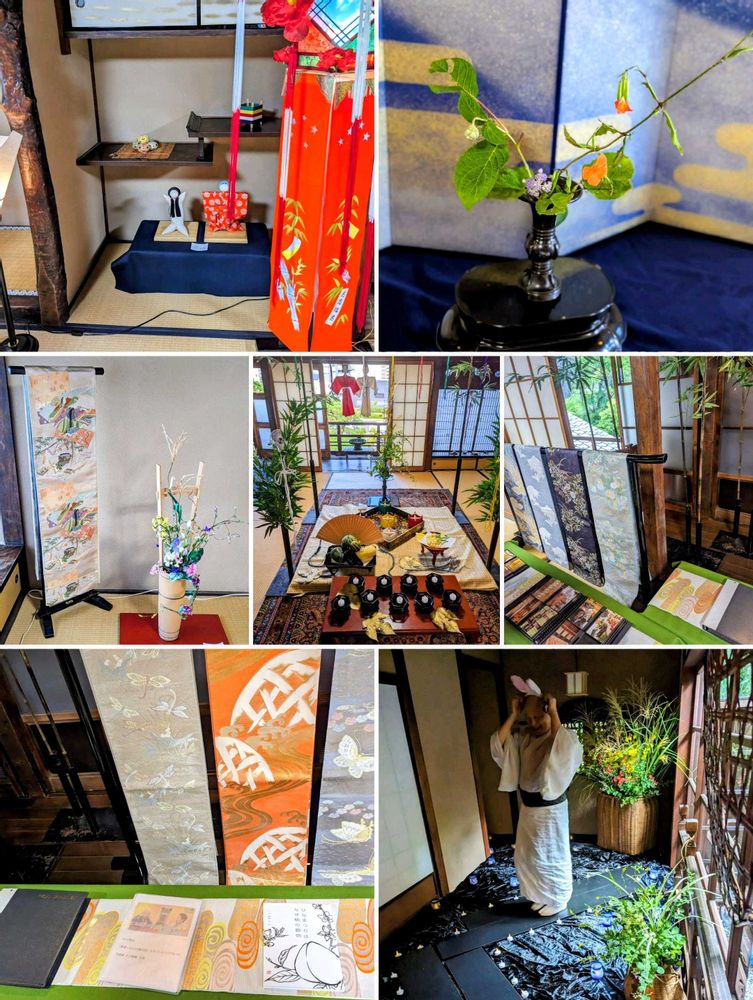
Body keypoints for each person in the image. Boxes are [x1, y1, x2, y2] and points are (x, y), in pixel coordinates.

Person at [490, 682, 582, 916]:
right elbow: (498, 745)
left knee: (551, 854)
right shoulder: (523, 738)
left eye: (538, 717)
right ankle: (541, 895)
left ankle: (558, 899)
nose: (533, 723)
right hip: (528, 808)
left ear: (549, 713)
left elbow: (566, 749)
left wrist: (554, 711)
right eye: (529, 718)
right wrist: (514, 714)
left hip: (550, 811)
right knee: (529, 855)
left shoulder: (560, 737)